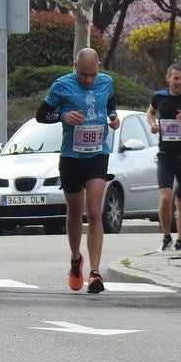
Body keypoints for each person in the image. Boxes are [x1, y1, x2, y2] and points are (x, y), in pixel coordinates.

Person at [35, 48, 121, 294]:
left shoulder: (107, 82)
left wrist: (113, 117)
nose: (88, 80)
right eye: (83, 75)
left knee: (94, 210)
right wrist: (62, 115)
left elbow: (111, 104)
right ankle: (75, 259)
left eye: (92, 75)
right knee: (75, 211)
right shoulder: (61, 85)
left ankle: (95, 272)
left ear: (99, 67)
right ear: (75, 66)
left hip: (97, 155)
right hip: (72, 157)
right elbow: (42, 115)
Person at [147, 63, 181, 252]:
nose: (179, 82)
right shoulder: (159, 96)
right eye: (175, 78)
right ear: (168, 78)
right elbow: (150, 112)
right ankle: (166, 236)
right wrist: (153, 124)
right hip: (165, 155)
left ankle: (180, 240)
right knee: (166, 196)